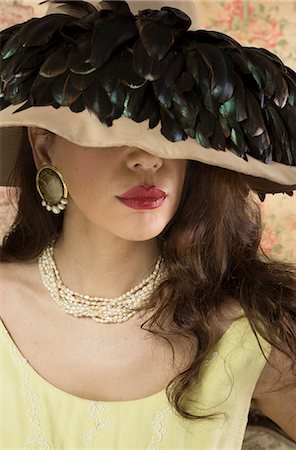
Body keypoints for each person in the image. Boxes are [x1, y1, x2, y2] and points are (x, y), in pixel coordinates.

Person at [0, 0, 295, 448]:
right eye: (113, 122)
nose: (149, 157)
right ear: (43, 145)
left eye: (175, 127)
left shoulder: (249, 330)